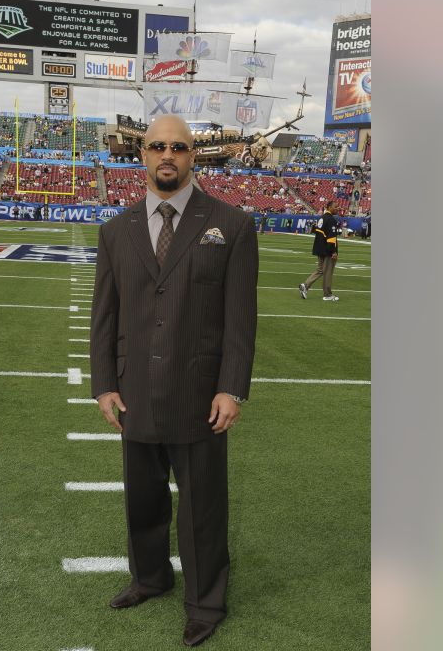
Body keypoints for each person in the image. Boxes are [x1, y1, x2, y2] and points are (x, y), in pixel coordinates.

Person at [89, 114, 258, 648]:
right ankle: (150, 577)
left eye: (179, 147)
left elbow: (240, 319)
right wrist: (103, 385)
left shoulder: (231, 224)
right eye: (157, 146)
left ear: (193, 156)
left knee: (202, 505)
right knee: (143, 499)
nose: (167, 155)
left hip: (199, 396)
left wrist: (230, 388)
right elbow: (105, 315)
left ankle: (206, 601)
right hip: (135, 390)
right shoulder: (117, 230)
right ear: (142, 155)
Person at [298, 205, 342, 301]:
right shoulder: (331, 220)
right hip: (327, 250)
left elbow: (318, 234)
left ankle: (305, 286)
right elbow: (331, 237)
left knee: (320, 270)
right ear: (330, 207)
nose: (337, 208)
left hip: (320, 248)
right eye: (335, 206)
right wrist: (333, 251)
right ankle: (327, 294)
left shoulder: (322, 218)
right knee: (328, 272)